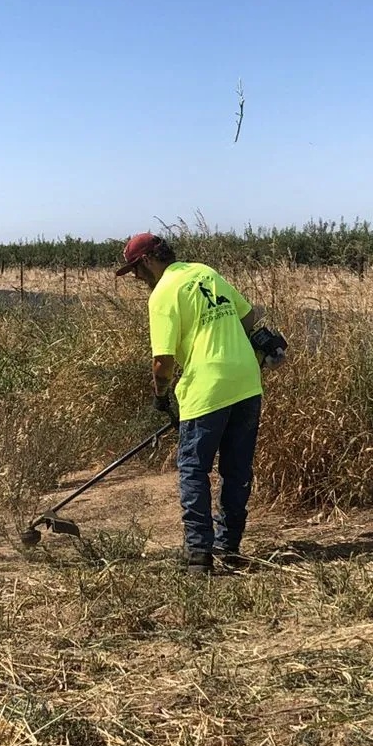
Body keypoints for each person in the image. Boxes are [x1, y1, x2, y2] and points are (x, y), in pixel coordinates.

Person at [116, 232, 284, 575]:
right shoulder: (205, 272)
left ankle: (198, 555)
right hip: (247, 383)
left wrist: (160, 397)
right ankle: (229, 546)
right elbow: (249, 318)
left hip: (205, 390)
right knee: (236, 470)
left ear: (148, 260)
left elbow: (162, 362)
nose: (135, 277)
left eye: (135, 269)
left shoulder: (163, 293)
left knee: (194, 469)